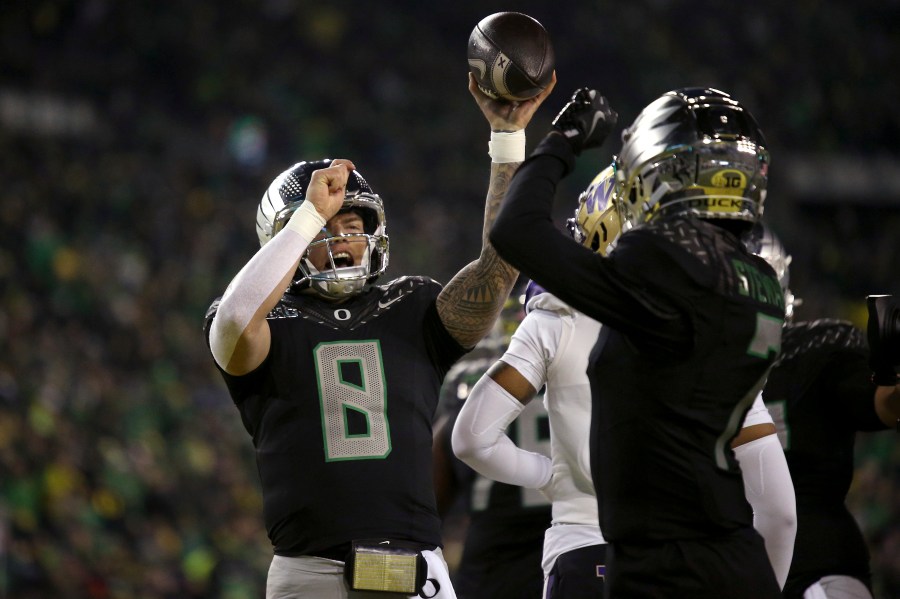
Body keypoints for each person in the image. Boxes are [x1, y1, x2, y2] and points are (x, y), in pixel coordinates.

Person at [203, 72, 556, 599]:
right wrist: (307, 216)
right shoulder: (264, 323)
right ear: (286, 240)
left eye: (352, 225)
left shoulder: (409, 304)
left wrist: (506, 139)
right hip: (312, 574)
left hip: (420, 574)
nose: (343, 238)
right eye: (327, 228)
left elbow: (496, 269)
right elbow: (233, 322)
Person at [488, 86, 786, 597]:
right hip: (738, 556)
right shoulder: (760, 280)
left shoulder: (659, 260)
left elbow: (516, 231)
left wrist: (563, 140)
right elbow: (779, 512)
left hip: (663, 563)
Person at [744, 223, 900, 599]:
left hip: (812, 572)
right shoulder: (682, 373)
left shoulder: (812, 353)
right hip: (721, 572)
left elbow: (881, 405)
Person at [432, 293, 553, 599]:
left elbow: (428, 497)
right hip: (572, 549)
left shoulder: (471, 385)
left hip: (493, 566)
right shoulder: (591, 372)